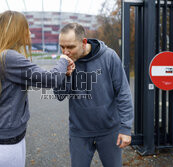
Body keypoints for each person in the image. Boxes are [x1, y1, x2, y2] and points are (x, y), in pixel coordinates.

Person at [0, 11, 74, 167]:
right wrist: (63, 60)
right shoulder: (9, 57)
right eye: (26, 28)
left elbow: (39, 78)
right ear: (16, 31)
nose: (29, 32)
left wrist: (63, 72)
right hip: (6, 146)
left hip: (4, 141)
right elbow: (50, 79)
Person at [54, 23, 134, 167]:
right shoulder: (64, 61)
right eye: (62, 47)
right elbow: (59, 95)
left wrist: (126, 128)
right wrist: (65, 74)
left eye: (70, 47)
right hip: (79, 132)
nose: (65, 52)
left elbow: (123, 92)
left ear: (84, 42)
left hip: (109, 131)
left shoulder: (109, 56)